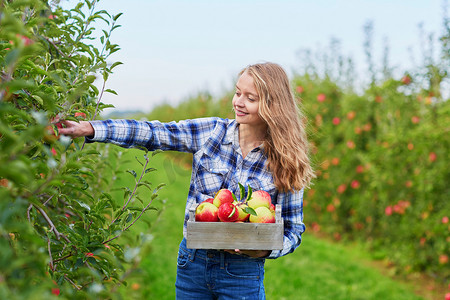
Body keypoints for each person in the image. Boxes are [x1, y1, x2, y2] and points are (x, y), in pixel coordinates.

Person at [59, 62, 315, 299]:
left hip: (242, 272)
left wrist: (264, 250)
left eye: (250, 98)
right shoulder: (211, 132)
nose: (238, 102)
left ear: (273, 105)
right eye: (238, 93)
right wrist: (92, 129)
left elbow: (293, 230)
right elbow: (155, 133)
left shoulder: (286, 158)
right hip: (193, 264)